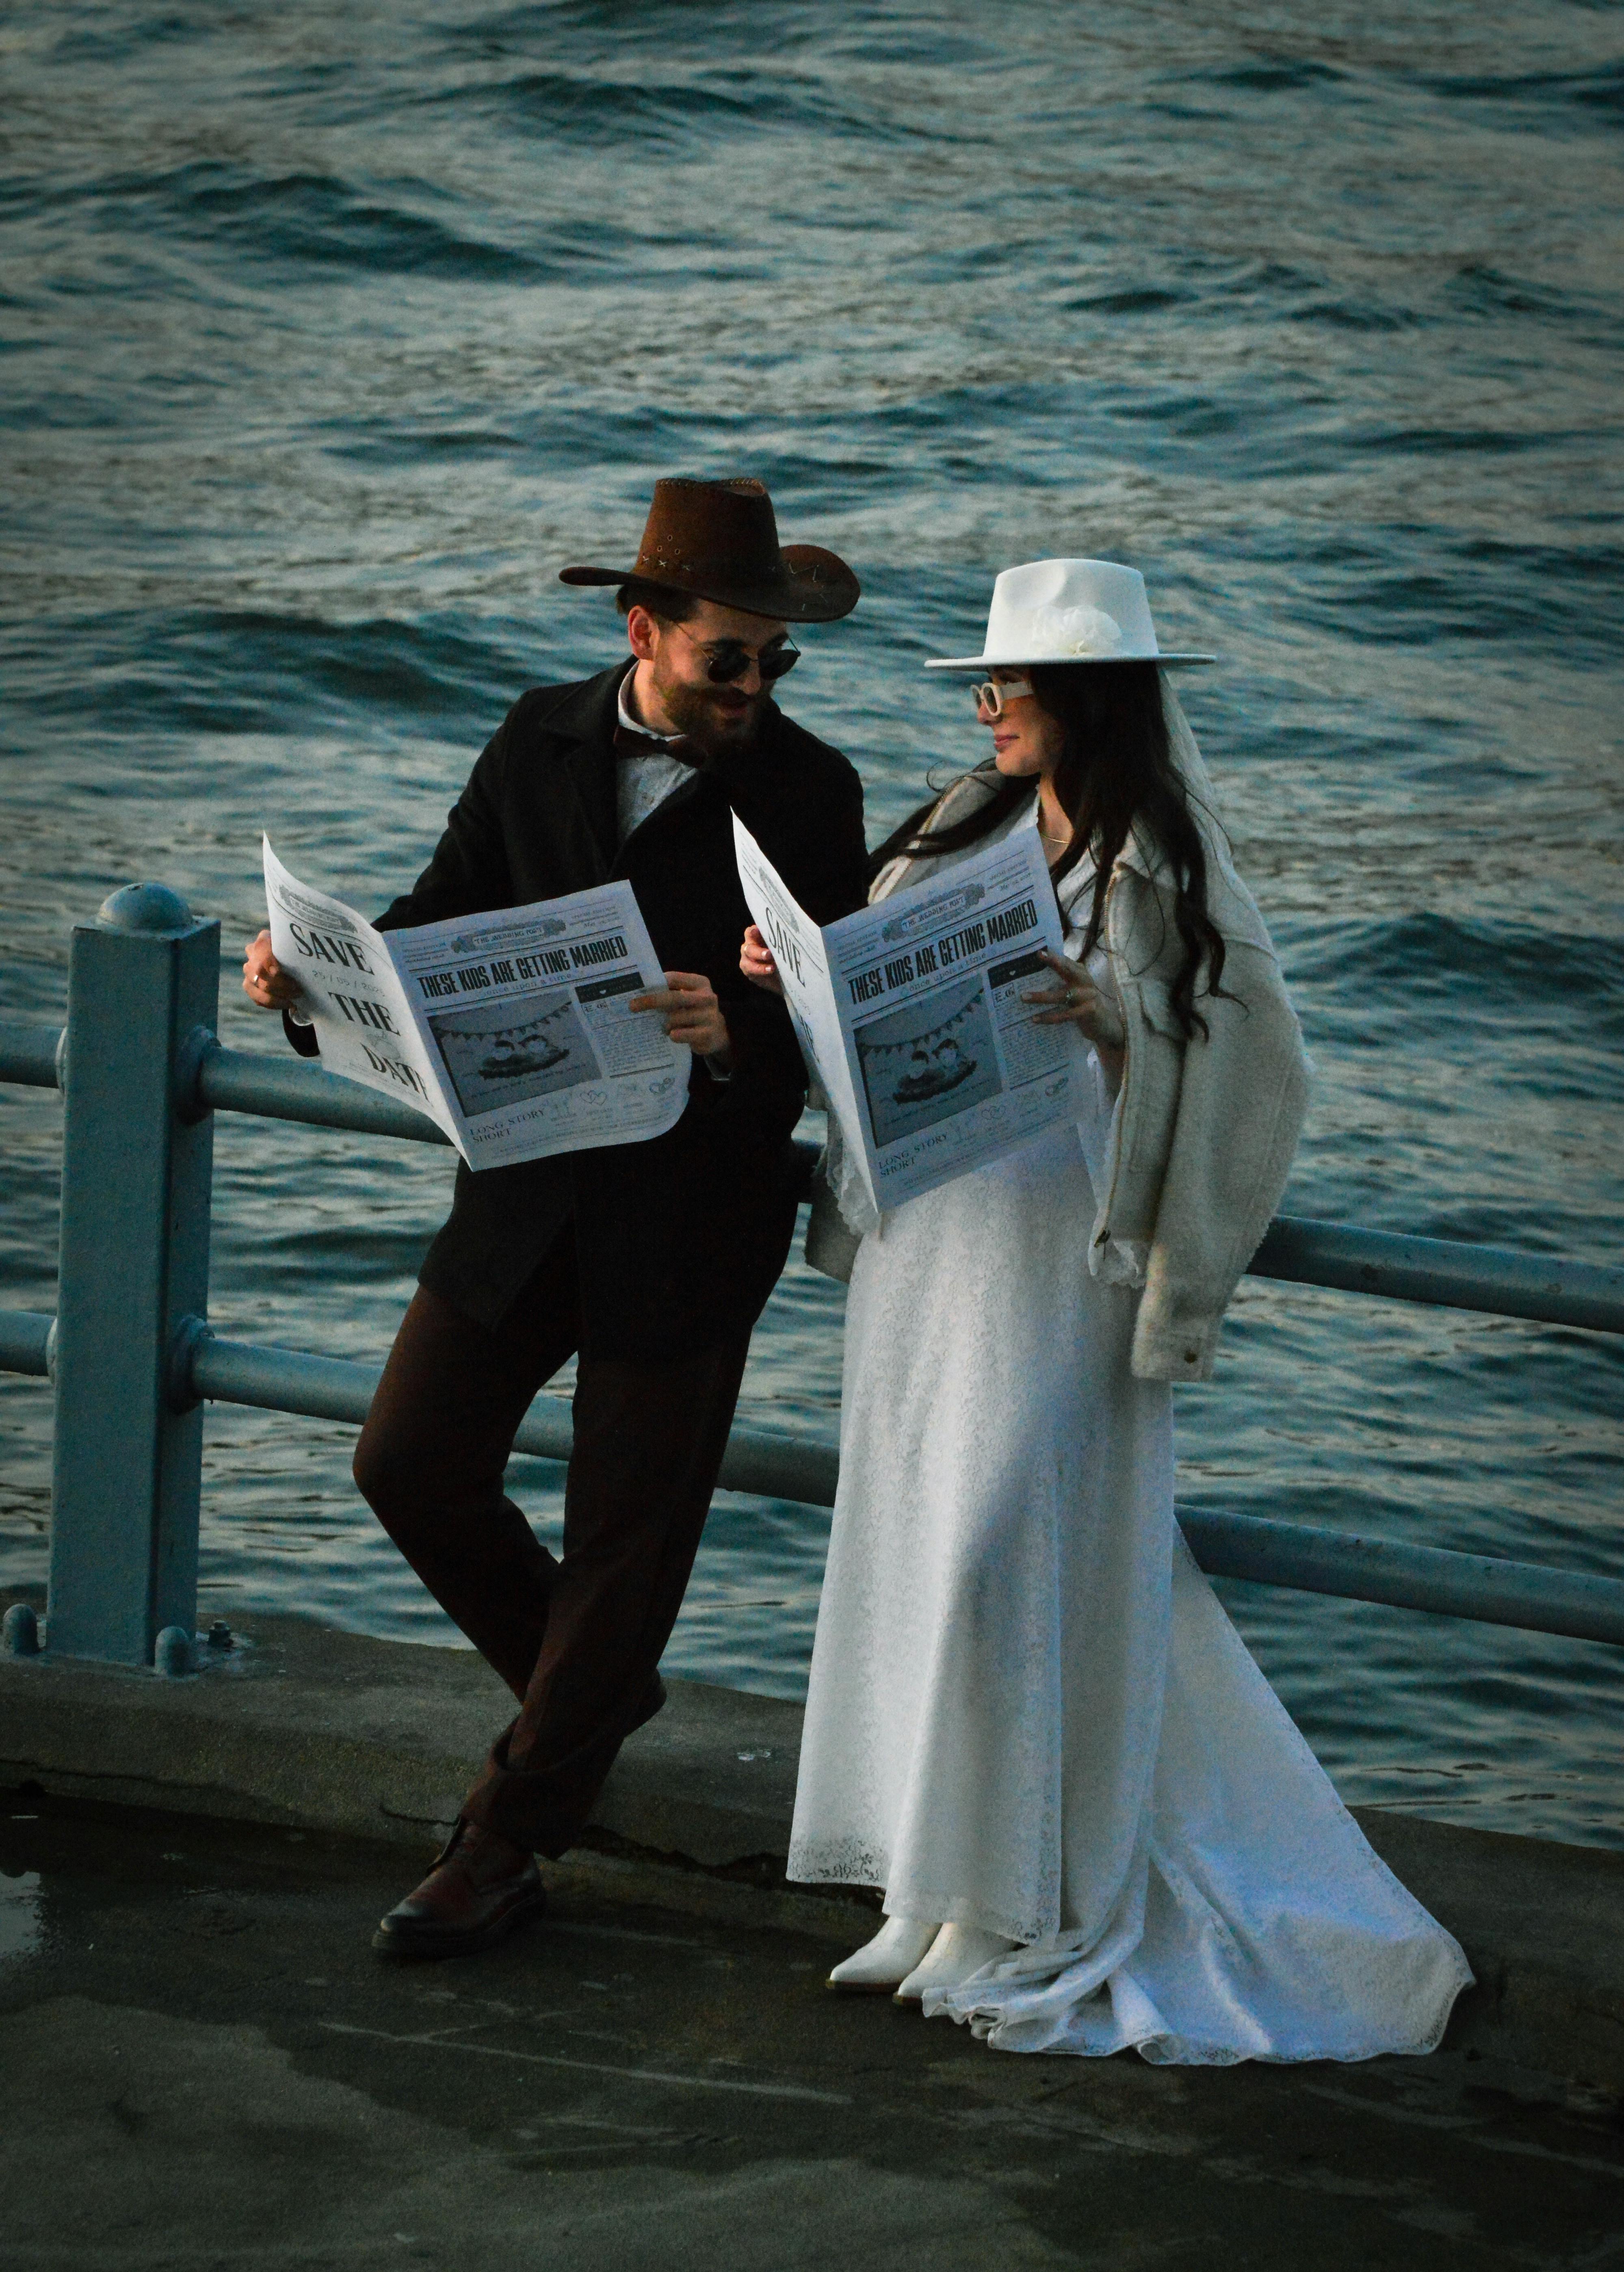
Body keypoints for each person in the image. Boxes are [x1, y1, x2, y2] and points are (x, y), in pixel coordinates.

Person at [746, 558, 1471, 2062]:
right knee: (916, 1540)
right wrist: (795, 979)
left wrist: (1117, 1030)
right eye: (987, 684)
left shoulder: (1175, 865)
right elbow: (880, 1007)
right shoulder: (960, 827)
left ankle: (1008, 1893)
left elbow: (1263, 1082)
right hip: (933, 1244)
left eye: (1011, 684)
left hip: (1063, 1265)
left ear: (1089, 700)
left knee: (1006, 1540)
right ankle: (921, 1878)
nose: (989, 704)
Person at [243, 477, 869, 1958]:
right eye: (731, 659)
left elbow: (842, 1035)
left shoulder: (811, 790)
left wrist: (741, 1034)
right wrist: (309, 977)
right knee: (407, 1459)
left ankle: (504, 1837)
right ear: (641, 627)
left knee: (623, 1549)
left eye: (780, 661)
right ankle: (589, 1696)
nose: (757, 690)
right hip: (522, 1196)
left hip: (692, 1220)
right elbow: (435, 918)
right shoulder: (535, 736)